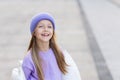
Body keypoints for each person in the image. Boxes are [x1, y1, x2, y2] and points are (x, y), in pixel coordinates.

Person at [22, 12, 81, 80]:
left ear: (53, 32)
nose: (46, 29)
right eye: (41, 26)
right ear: (34, 32)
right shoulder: (29, 58)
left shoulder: (59, 53)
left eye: (49, 27)